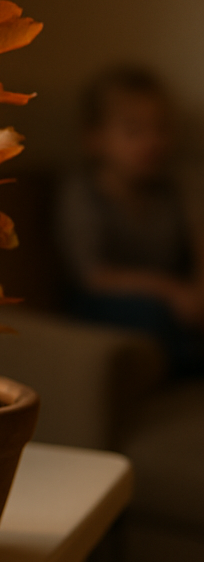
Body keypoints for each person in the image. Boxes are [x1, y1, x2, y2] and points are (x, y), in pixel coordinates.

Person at [57, 66, 204, 376]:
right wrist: (170, 291)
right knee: (150, 317)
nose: (152, 141)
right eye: (134, 131)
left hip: (175, 301)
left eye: (160, 128)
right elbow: (93, 276)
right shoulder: (83, 192)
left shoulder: (171, 190)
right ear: (95, 139)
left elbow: (196, 240)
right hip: (110, 304)